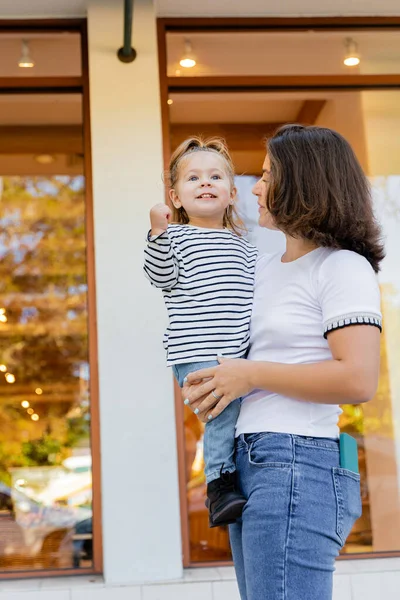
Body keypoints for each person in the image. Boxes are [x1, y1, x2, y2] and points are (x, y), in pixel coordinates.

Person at [183, 124, 384, 600]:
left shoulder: (342, 266)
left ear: (304, 183)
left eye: (268, 175)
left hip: (297, 459)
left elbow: (358, 377)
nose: (254, 187)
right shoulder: (266, 269)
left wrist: (248, 375)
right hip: (247, 460)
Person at [143, 137, 258, 527]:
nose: (205, 183)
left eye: (215, 177)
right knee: (222, 414)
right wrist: (158, 232)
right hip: (196, 347)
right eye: (193, 178)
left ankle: (231, 476)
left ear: (230, 193)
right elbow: (160, 275)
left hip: (238, 351)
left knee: (237, 412)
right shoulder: (175, 237)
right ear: (176, 197)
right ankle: (218, 486)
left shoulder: (244, 245)